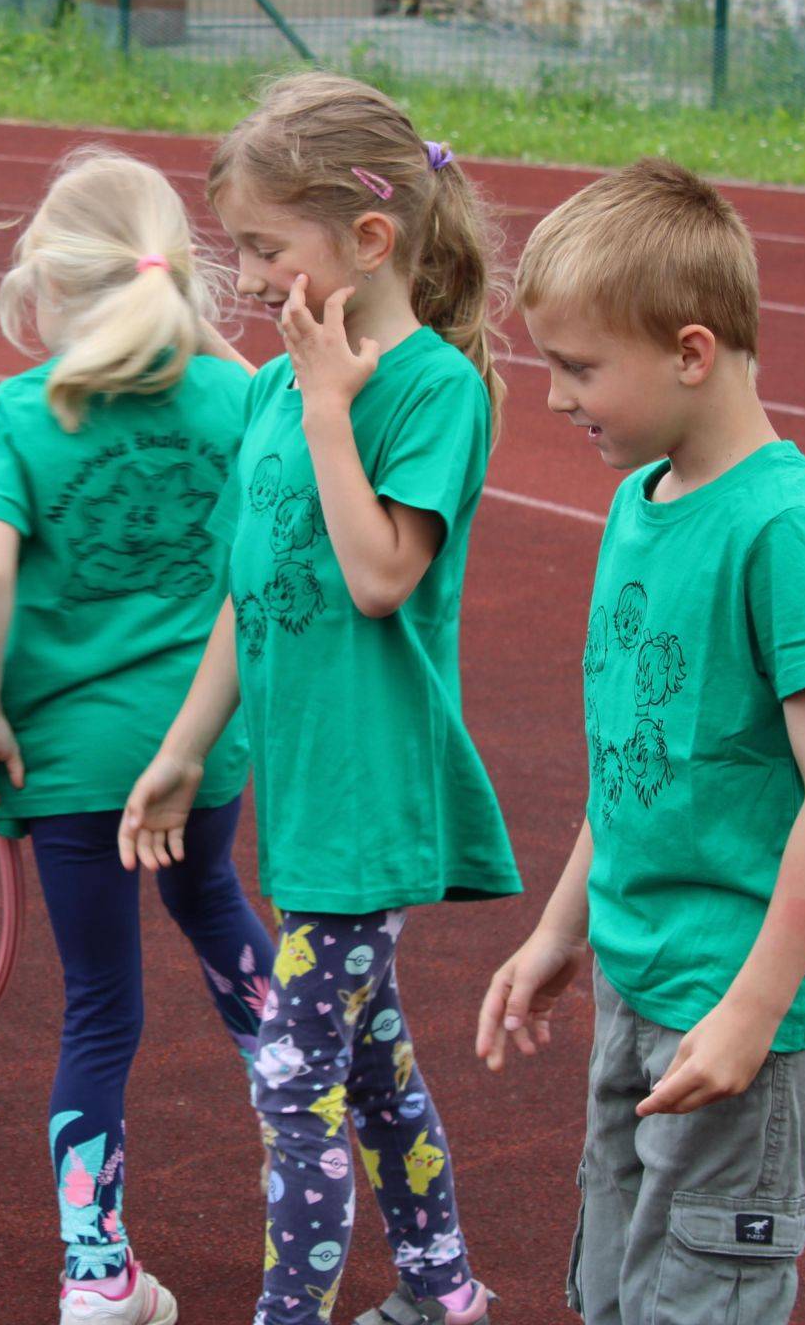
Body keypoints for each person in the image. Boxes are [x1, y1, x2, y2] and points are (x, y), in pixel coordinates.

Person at [125, 75, 516, 1325]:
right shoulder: (268, 391)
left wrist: (334, 405)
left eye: (265, 245)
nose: (244, 274)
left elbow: (379, 573)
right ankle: (442, 1286)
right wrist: (187, 748)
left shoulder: (427, 391)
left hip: (371, 788)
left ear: (369, 240)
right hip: (303, 782)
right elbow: (253, 588)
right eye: (236, 245)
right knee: (369, 1057)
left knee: (295, 1085)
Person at [481, 160, 805, 1325]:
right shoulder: (641, 500)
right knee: (614, 1275)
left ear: (692, 352)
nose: (557, 398)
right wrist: (564, 927)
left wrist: (757, 1007)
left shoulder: (784, 534)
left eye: (578, 367)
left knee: (701, 1289)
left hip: (733, 990)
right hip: (639, 962)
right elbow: (636, 756)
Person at [0, 148, 273, 1325]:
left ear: (50, 285)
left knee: (100, 1007)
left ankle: (96, 1270)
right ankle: (305, 1124)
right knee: (215, 904)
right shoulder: (237, 400)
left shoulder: (19, 416)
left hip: (70, 767)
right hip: (200, 743)